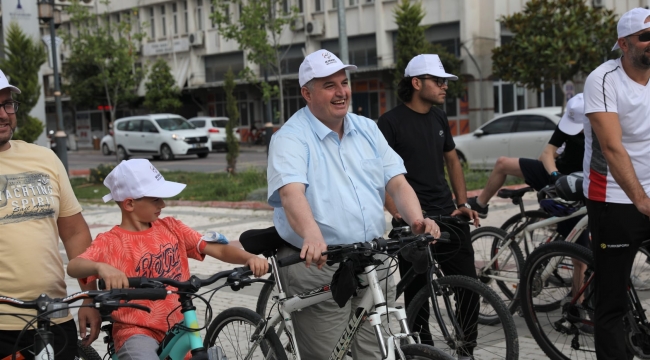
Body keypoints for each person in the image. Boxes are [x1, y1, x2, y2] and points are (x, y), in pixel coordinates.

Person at [267, 49, 440, 360]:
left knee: (377, 352)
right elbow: (291, 194)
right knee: (329, 354)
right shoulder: (291, 138)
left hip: (372, 258)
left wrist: (417, 220)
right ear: (307, 93)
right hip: (321, 263)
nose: (341, 92)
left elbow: (397, 182)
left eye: (344, 83)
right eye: (329, 85)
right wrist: (312, 235)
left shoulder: (366, 128)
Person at [66, 159, 268, 360]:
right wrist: (101, 267)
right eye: (155, 199)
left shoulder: (172, 228)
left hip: (179, 326)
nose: (163, 204)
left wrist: (249, 258)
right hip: (136, 331)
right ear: (129, 203)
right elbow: (74, 266)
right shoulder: (110, 242)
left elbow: (220, 250)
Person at [377, 54, 480, 358]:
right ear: (417, 82)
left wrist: (461, 202)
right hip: (414, 221)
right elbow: (380, 171)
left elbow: (452, 159)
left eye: (445, 81)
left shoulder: (438, 117)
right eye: (438, 81)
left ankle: (466, 349)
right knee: (417, 296)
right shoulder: (389, 122)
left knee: (469, 288)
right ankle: (425, 352)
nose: (444, 87)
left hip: (447, 214)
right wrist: (393, 208)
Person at [0, 69, 101, 359]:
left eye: (8, 104)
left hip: (55, 318)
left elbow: (74, 233)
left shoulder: (44, 158)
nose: (4, 114)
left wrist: (88, 298)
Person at [582, 8, 650, 359]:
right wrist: (641, 199)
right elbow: (611, 146)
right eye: (645, 36)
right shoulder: (603, 79)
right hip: (613, 197)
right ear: (624, 44)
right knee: (612, 301)